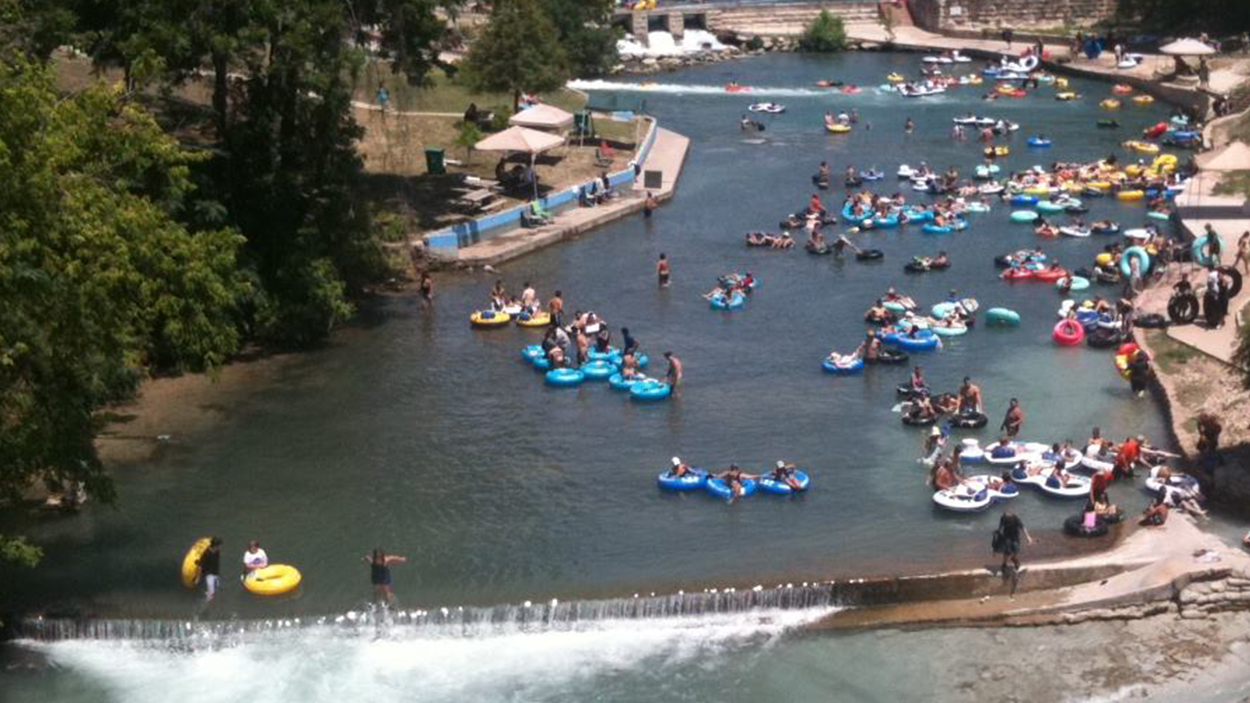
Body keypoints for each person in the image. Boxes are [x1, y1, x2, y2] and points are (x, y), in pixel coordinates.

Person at [995, 511, 1032, 580]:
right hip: (1006, 536)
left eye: (1008, 520)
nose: (1007, 521)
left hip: (1015, 537)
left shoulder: (1016, 519)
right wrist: (998, 535)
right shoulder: (1003, 518)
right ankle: (1004, 565)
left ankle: (1015, 561)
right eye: (1006, 519)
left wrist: (1028, 537)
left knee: (1015, 551)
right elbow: (1000, 527)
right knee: (1006, 552)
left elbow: (1023, 528)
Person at [197, 537, 223, 602]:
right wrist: (198, 577)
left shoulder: (217, 551)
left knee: (217, 587)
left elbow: (216, 562)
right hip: (209, 574)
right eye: (220, 545)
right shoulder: (206, 553)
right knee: (211, 593)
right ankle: (207, 603)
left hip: (215, 573)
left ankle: (208, 594)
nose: (221, 547)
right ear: (215, 546)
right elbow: (200, 566)